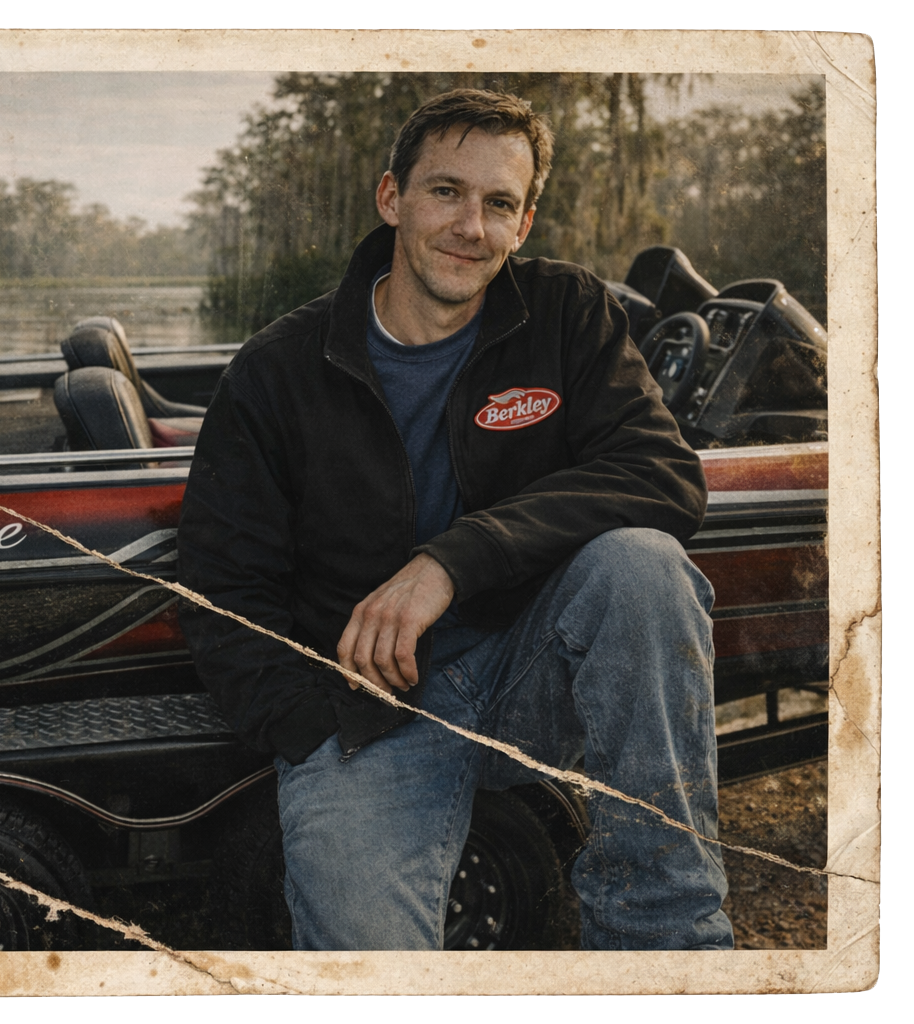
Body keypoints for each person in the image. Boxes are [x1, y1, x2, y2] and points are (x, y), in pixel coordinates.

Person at [177, 88, 732, 951]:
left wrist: (450, 562)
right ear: (391, 198)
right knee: (366, 971)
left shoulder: (568, 314)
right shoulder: (276, 372)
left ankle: (671, 949)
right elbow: (222, 584)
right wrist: (312, 730)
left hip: (533, 664)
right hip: (368, 713)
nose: (470, 225)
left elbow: (661, 474)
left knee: (641, 566)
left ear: (525, 222)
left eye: (499, 203)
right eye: (446, 191)